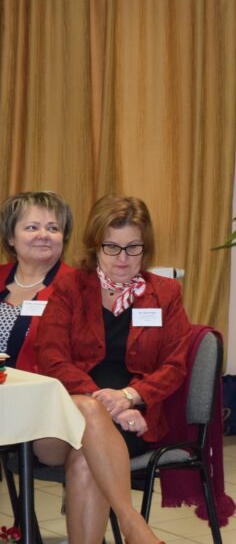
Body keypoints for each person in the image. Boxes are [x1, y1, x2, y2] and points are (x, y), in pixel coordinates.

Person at [34, 195, 190, 544]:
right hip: (61, 421)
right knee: (89, 410)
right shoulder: (70, 288)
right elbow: (52, 357)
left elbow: (175, 364)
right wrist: (109, 404)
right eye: (112, 247)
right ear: (95, 246)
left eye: (133, 247)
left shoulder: (166, 293)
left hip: (133, 424)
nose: (122, 258)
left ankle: (130, 525)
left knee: (86, 460)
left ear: (146, 247)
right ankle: (133, 524)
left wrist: (130, 397)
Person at [0, 191, 76, 371]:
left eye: (53, 228)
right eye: (32, 227)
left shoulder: (79, 286)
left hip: (43, 386)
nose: (44, 235)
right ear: (11, 237)